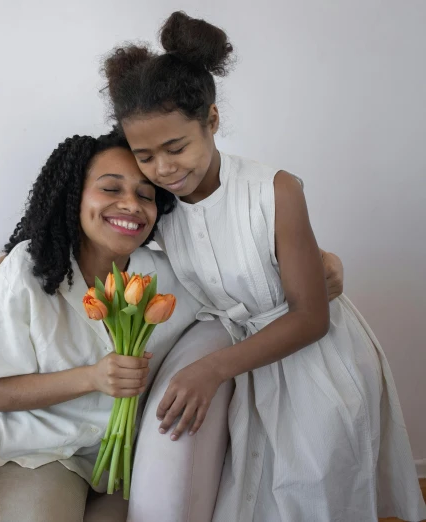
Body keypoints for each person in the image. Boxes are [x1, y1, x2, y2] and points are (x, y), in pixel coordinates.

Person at [102, 11, 425, 522]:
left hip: (314, 364)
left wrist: (209, 368)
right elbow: (86, 213)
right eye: (144, 156)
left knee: (316, 492)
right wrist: (12, 255)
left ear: (211, 120)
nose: (162, 169)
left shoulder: (274, 190)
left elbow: (311, 318)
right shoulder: (160, 206)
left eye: (176, 147)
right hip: (249, 366)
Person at [0, 130, 234, 522]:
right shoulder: (28, 266)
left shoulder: (170, 280)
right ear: (74, 196)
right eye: (110, 189)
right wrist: (94, 377)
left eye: (146, 195)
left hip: (59, 453)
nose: (130, 204)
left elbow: (250, 283)